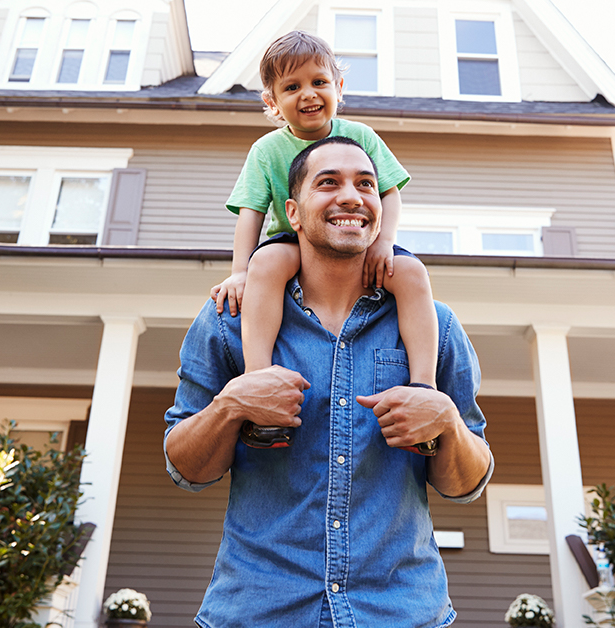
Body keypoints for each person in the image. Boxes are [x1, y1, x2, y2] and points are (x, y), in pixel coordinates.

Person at [166, 137, 494, 627]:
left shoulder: (433, 324)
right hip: (260, 610)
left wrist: (446, 419)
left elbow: (466, 483)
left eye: (366, 184)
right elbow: (187, 469)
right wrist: (230, 406)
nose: (351, 196)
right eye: (329, 183)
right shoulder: (228, 323)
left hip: (401, 611)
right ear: (293, 213)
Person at [209, 31, 440, 415]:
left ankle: (424, 385)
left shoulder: (360, 135)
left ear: (339, 87)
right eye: (292, 86)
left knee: (412, 273)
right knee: (265, 265)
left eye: (319, 82)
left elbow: (389, 192)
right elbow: (251, 211)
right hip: (293, 239)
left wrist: (384, 242)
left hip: (359, 237)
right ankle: (258, 376)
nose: (309, 94)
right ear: (273, 102)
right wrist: (238, 272)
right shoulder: (266, 150)